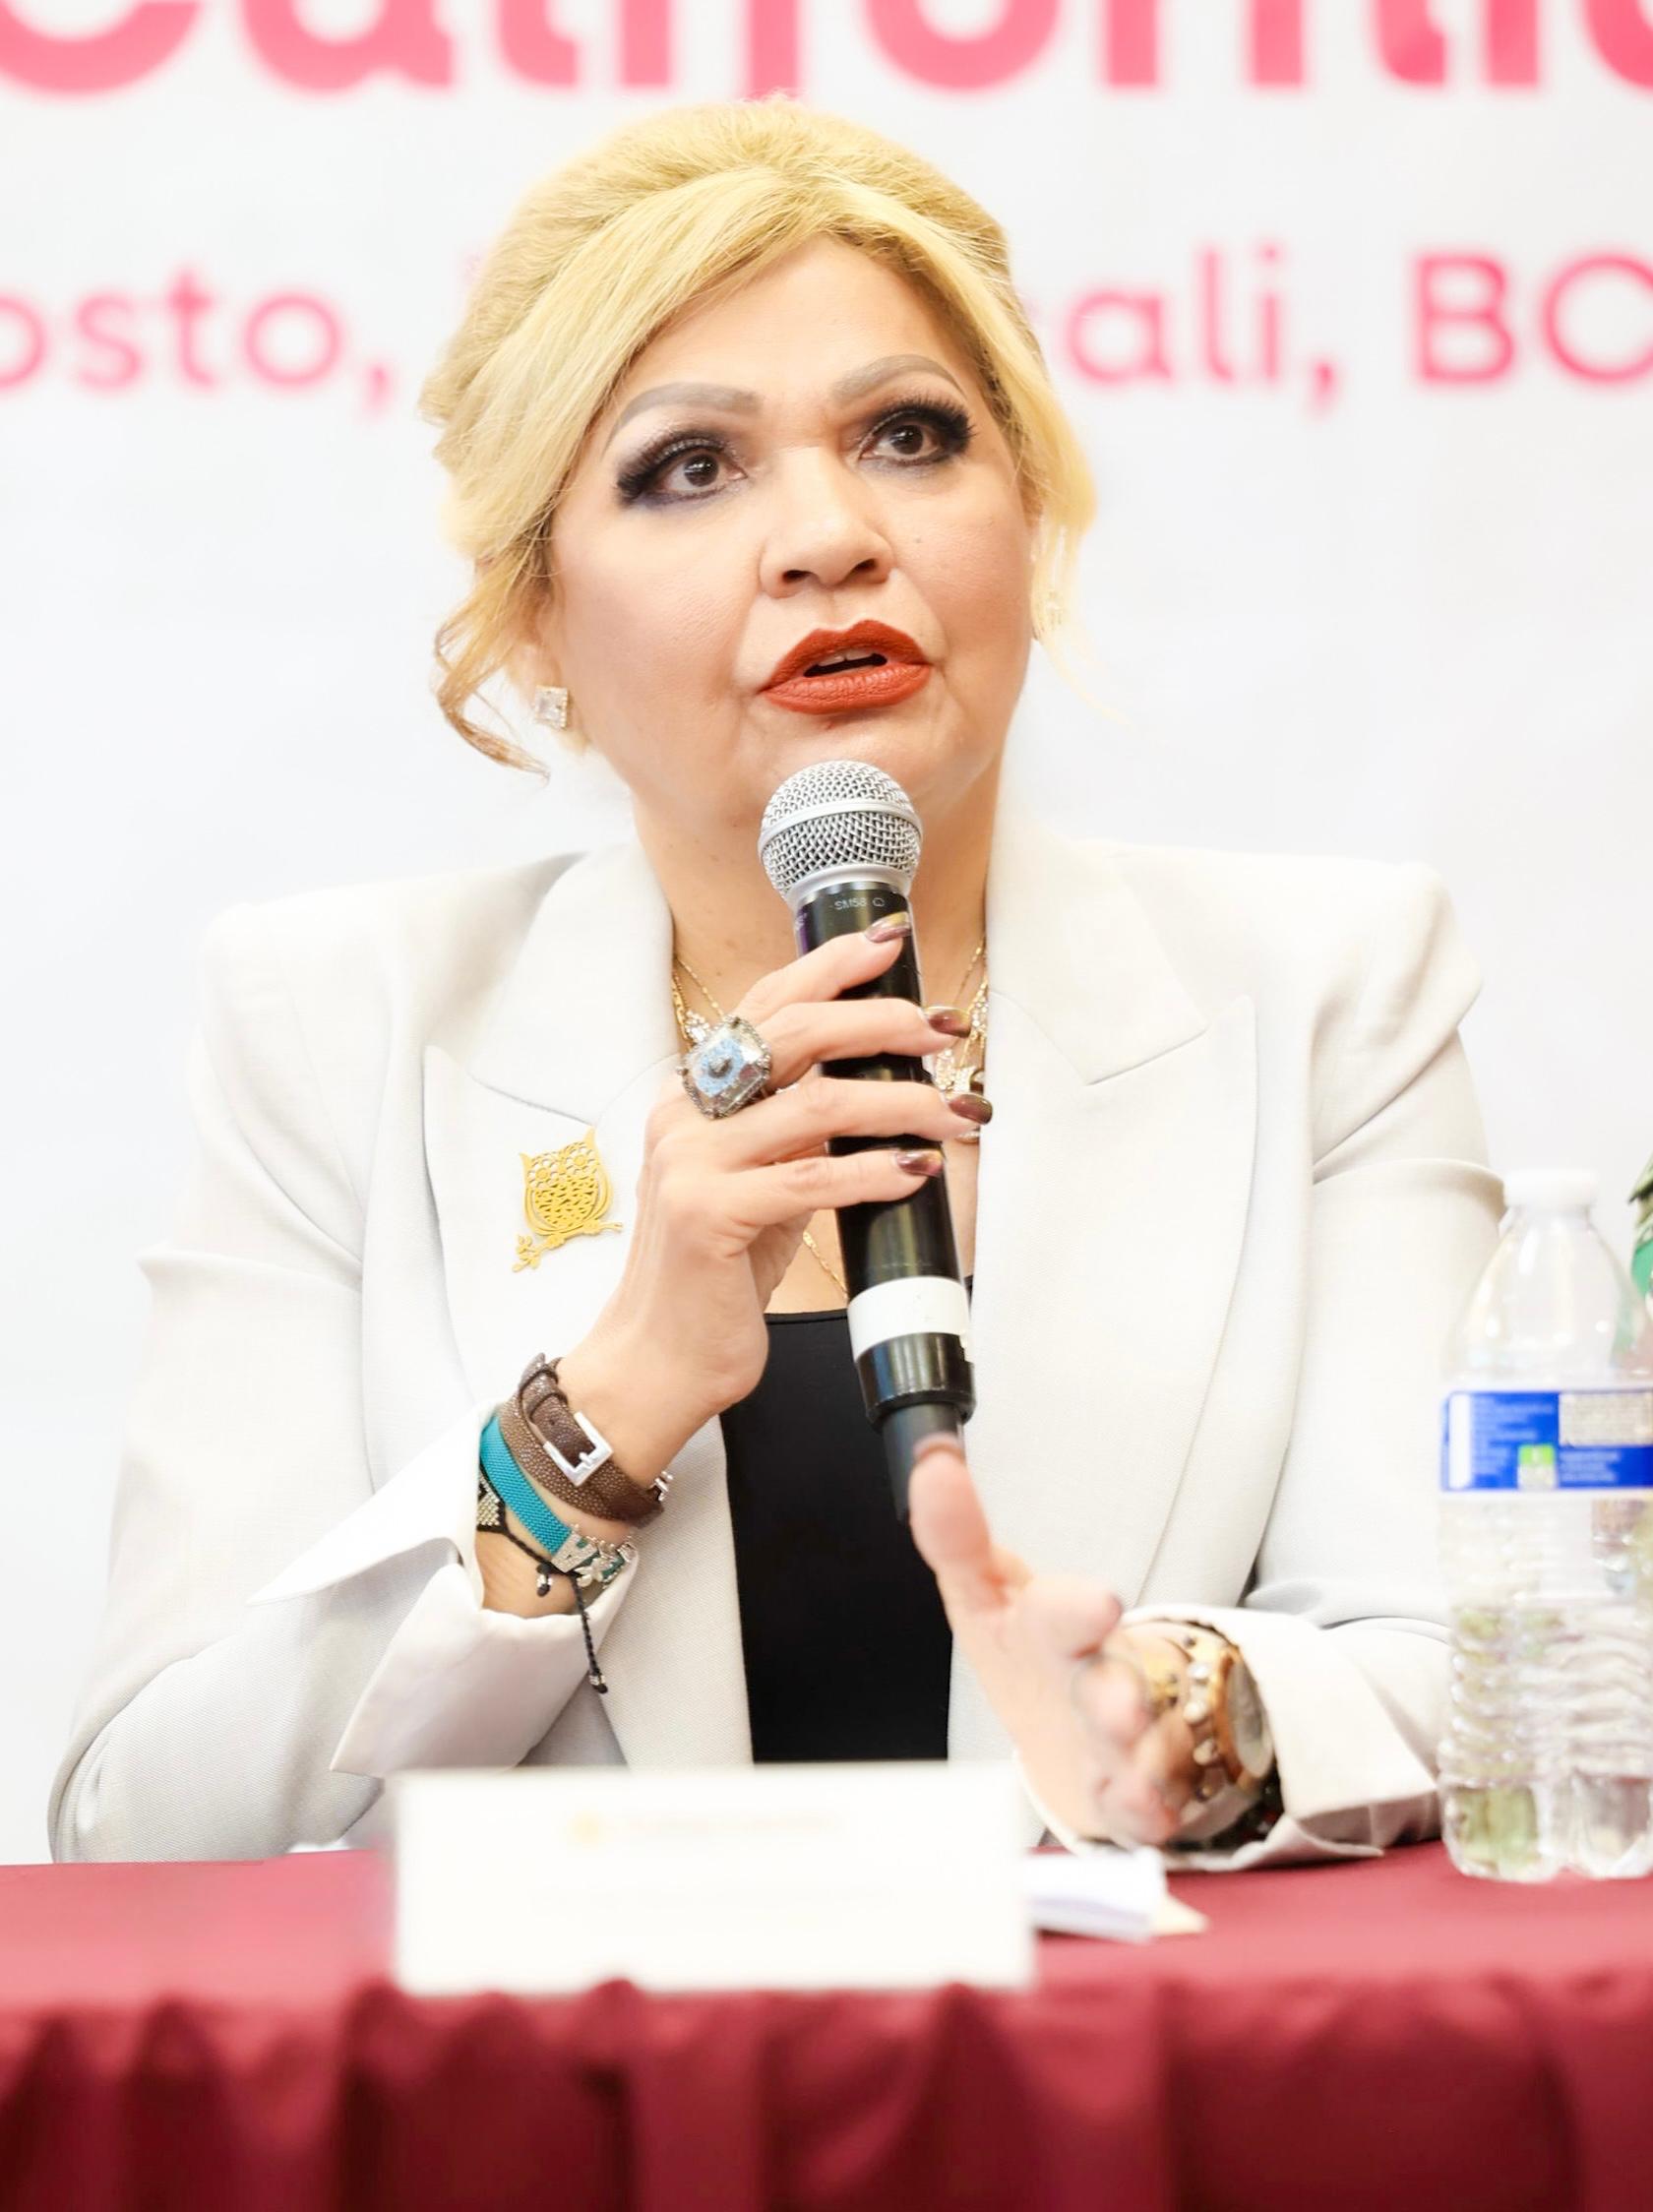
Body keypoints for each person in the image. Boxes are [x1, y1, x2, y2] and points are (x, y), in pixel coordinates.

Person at [48, 97, 1503, 1870]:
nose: (828, 534)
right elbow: (149, 1823)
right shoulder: (337, 1029)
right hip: (565, 2055)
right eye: (689, 466)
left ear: (1028, 515)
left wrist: (1181, 1716)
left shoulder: (1332, 990)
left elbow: (1477, 1670)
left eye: (910, 436)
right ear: (534, 618)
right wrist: (608, 1407)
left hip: (1124, 2047)